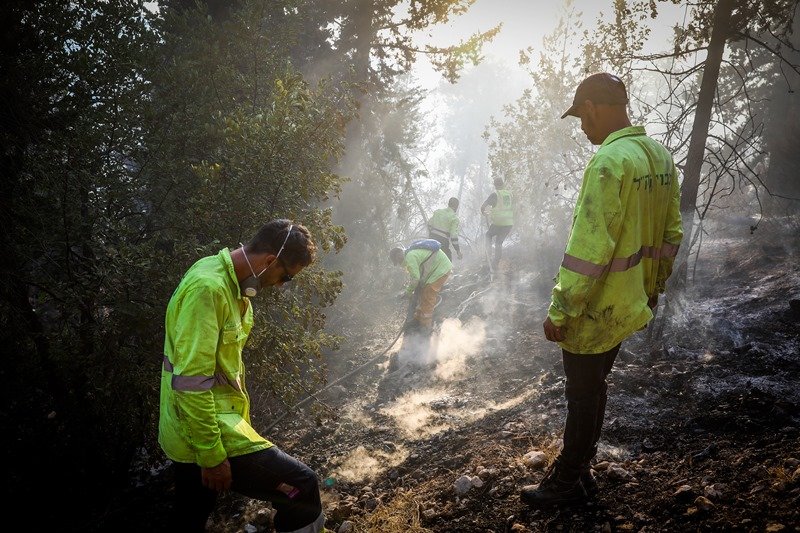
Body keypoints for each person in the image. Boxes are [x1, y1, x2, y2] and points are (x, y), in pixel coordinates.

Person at [520, 73, 683, 507]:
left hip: (596, 307)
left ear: (590, 108)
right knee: (595, 387)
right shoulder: (659, 155)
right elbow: (671, 234)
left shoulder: (609, 162)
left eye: (580, 117)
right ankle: (581, 470)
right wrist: (655, 287)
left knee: (582, 393)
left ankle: (566, 482)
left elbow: (588, 249)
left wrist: (561, 310)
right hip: (630, 302)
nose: (581, 127)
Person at [159, 219, 326, 532]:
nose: (280, 285)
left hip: (198, 428)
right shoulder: (208, 289)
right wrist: (210, 455)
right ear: (270, 261)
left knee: (190, 515)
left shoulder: (230, 285)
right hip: (204, 433)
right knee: (301, 487)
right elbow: (191, 382)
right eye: (286, 277)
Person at [389, 239, 452, 332]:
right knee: (422, 294)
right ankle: (418, 320)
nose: (399, 264)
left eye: (397, 261)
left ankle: (426, 327)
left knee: (428, 295)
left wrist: (409, 291)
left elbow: (416, 278)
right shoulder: (410, 254)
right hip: (437, 269)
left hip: (441, 269)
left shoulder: (410, 257)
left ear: (398, 256)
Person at [481, 178, 514, 268]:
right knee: (499, 243)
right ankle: (496, 263)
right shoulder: (510, 194)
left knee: (488, 235)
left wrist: (484, 213)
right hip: (509, 224)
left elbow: (483, 207)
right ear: (503, 184)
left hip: (499, 223)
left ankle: (488, 256)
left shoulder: (495, 194)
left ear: (495, 185)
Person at [428, 197, 463, 261]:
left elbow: (429, 224)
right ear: (456, 207)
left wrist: (432, 234)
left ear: (448, 204)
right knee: (447, 263)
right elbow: (453, 236)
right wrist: (458, 250)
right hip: (443, 243)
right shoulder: (454, 218)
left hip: (431, 239)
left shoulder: (437, 212)